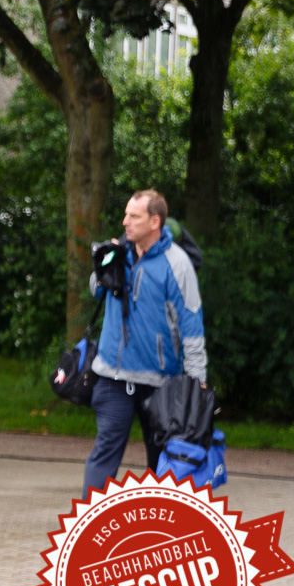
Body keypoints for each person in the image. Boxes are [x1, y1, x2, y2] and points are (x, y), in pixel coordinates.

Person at [83, 189, 207, 495]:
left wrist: (196, 381)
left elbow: (192, 327)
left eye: (133, 216)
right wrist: (104, 264)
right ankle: (87, 535)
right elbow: (96, 291)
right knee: (104, 457)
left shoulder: (177, 264)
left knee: (163, 466)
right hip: (113, 375)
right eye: (125, 214)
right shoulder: (120, 251)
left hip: (161, 383)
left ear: (155, 222)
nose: (125, 221)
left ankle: (159, 534)